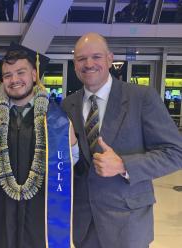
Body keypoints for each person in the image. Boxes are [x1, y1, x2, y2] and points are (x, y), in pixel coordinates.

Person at [61, 32, 182, 248]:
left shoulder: (141, 98)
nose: (89, 64)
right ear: (74, 64)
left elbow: (175, 152)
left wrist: (124, 165)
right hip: (84, 224)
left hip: (128, 225)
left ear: (110, 59)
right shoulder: (67, 105)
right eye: (81, 59)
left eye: (96, 57)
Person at [0, 44, 79, 247]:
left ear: (34, 75)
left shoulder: (56, 121)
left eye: (20, 72)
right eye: (7, 75)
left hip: (40, 216)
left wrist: (72, 145)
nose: (14, 80)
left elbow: (67, 167)